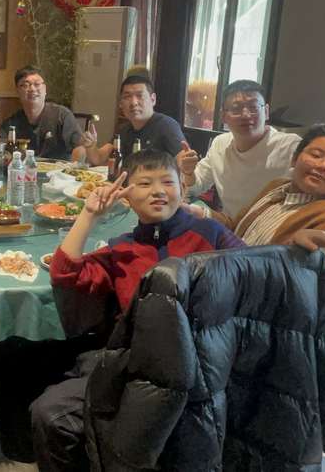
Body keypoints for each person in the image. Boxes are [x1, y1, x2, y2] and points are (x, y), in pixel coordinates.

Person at [31, 150, 244, 472]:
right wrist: (89, 214)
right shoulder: (121, 248)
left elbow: (258, 268)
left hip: (200, 366)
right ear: (126, 197)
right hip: (134, 366)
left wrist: (296, 246)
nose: (158, 191)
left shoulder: (209, 235)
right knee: (48, 413)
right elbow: (65, 273)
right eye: (144, 183)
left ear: (183, 189)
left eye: (167, 182)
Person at [177, 80, 325, 217]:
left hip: (275, 233)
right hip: (231, 228)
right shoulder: (220, 144)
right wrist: (187, 171)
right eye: (236, 108)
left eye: (253, 107)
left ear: (266, 111)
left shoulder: (289, 146)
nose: (246, 115)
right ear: (223, 116)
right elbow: (196, 184)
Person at [199, 124, 325, 257]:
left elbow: (300, 269)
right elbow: (236, 227)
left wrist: (294, 248)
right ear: (294, 159)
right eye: (316, 155)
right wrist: (201, 213)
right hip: (228, 265)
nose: (322, 166)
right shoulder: (278, 186)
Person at [0, 66, 86, 162]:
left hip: (57, 173)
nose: (32, 89)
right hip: (23, 173)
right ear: (18, 91)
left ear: (45, 89)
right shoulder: (12, 123)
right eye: (25, 85)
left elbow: (80, 147)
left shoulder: (62, 115)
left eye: (37, 84)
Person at [81, 75, 186, 166]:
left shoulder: (167, 126)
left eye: (140, 96)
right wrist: (91, 146)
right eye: (127, 97)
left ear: (153, 99)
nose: (133, 102)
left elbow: (184, 162)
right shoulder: (124, 130)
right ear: (121, 103)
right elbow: (99, 158)